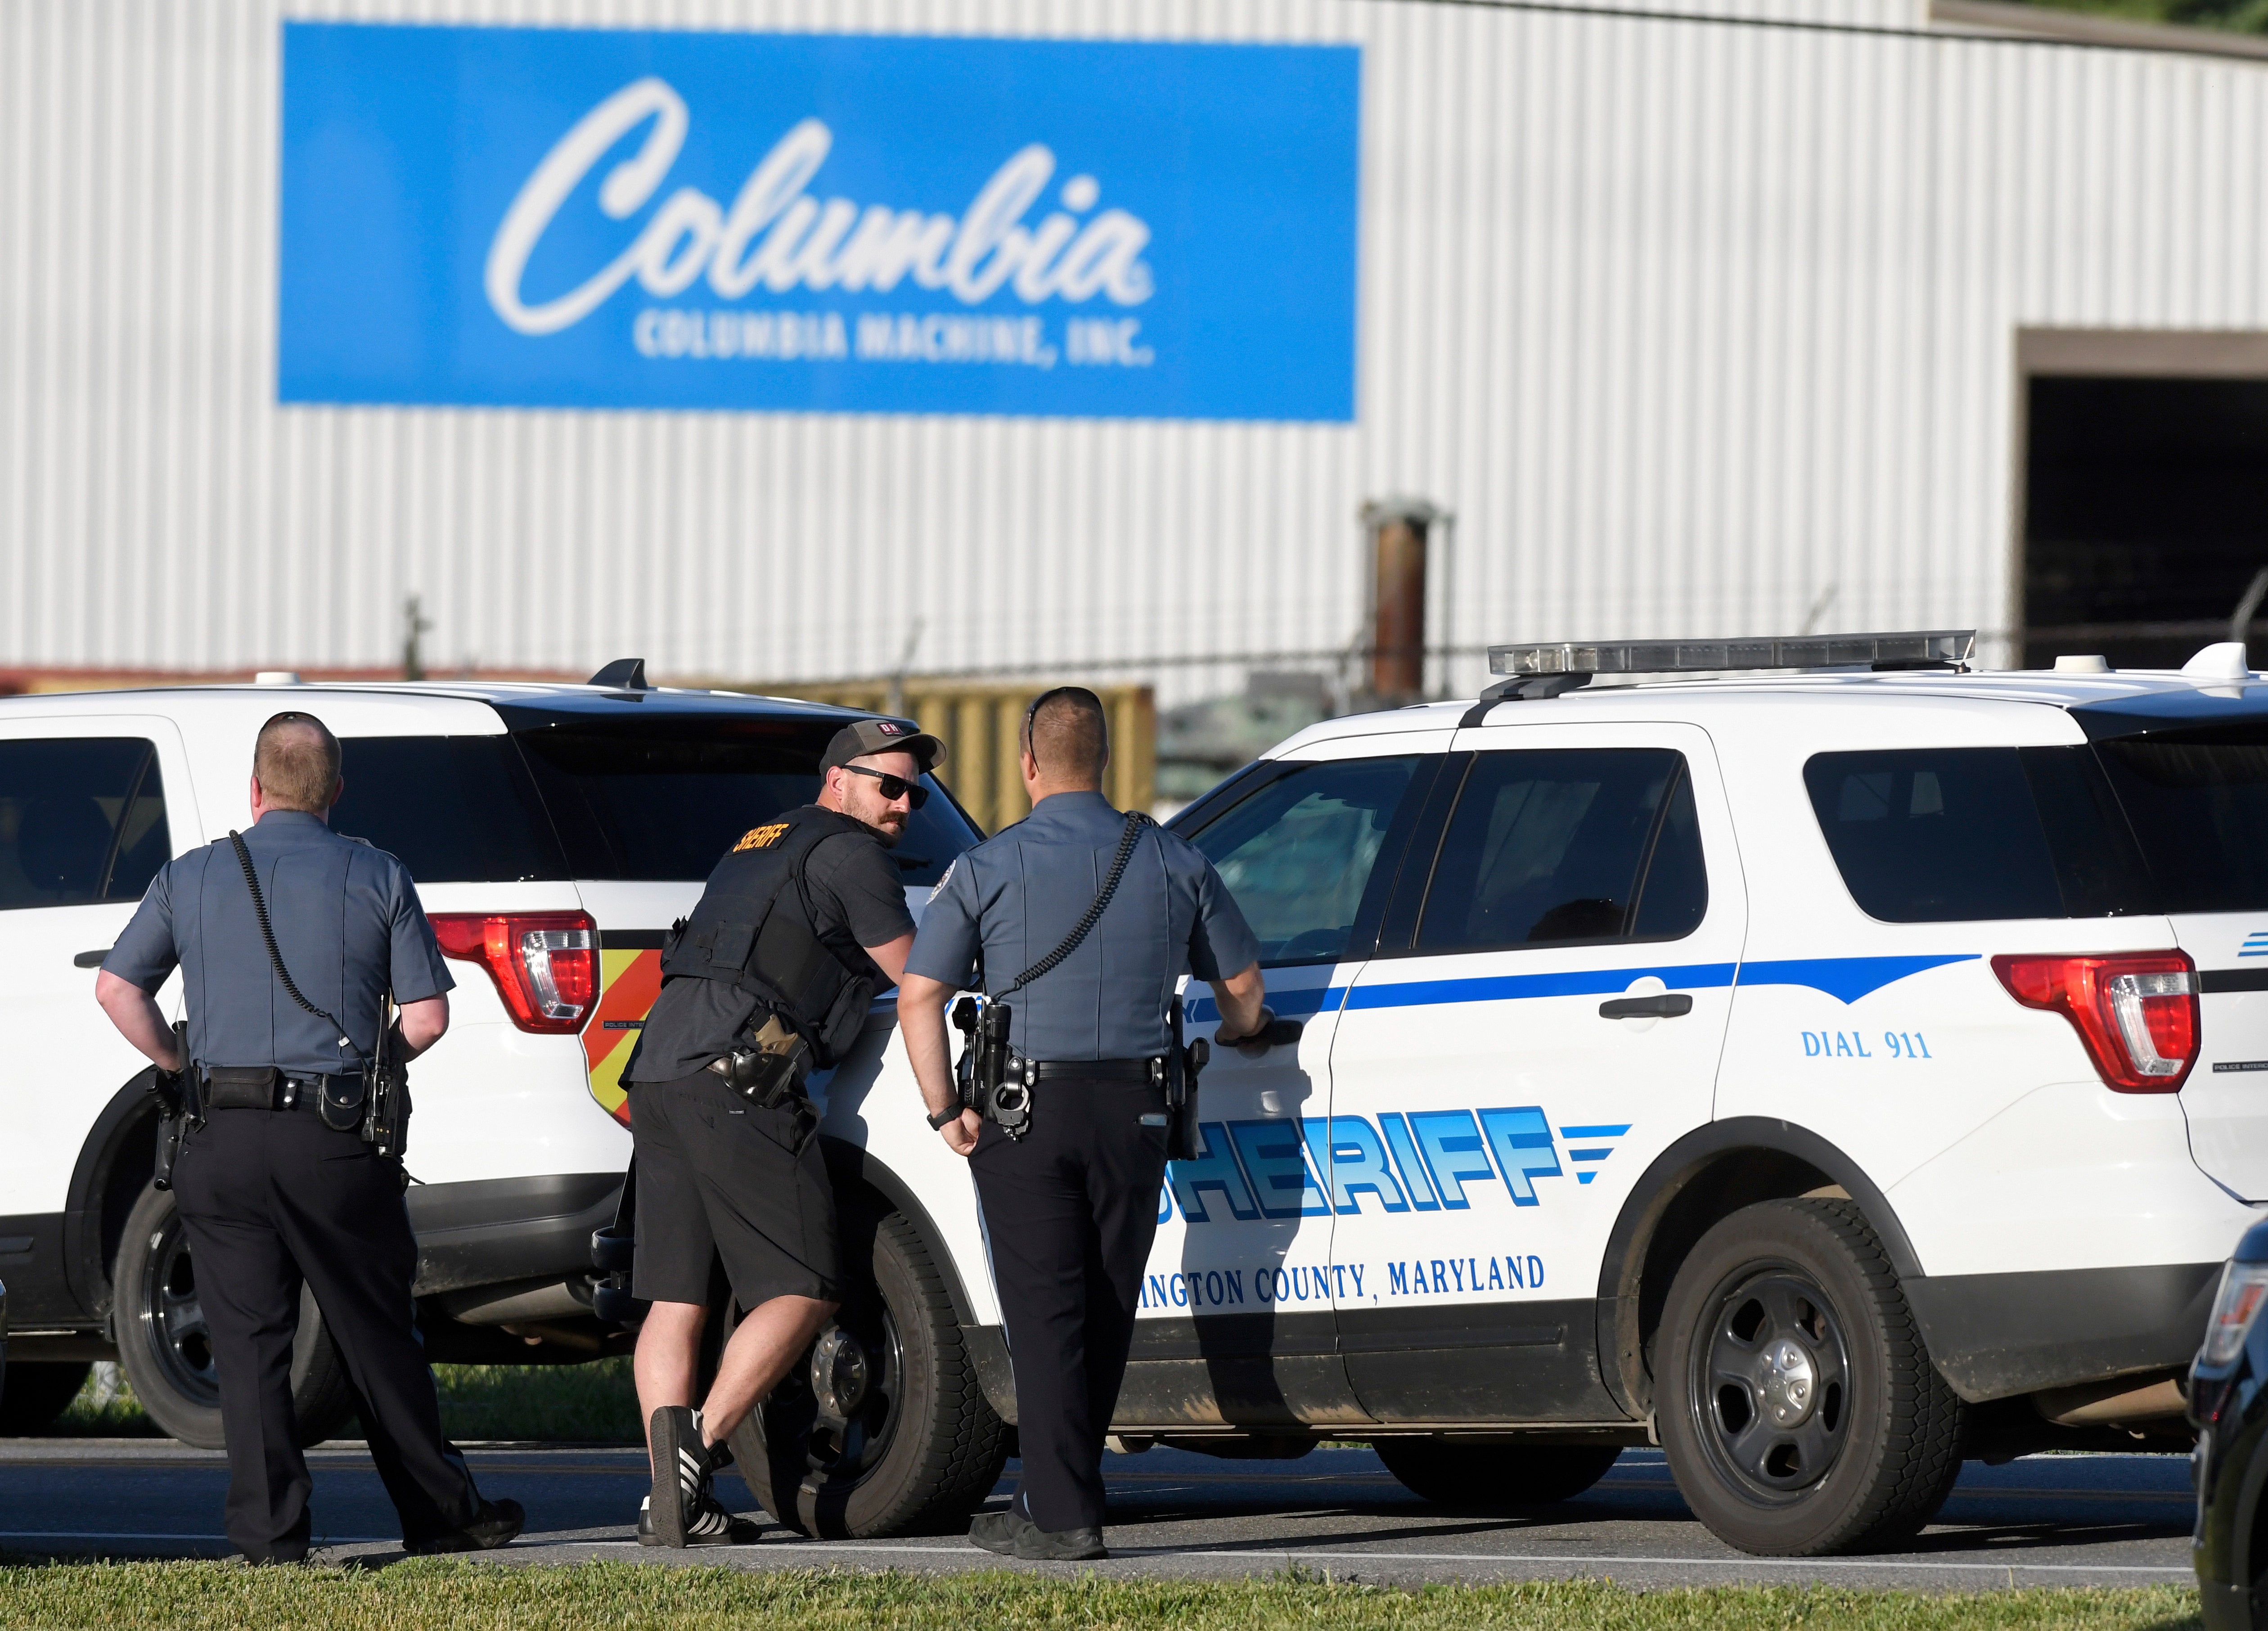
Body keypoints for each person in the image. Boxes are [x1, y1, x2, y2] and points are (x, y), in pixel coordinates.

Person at [92, 711, 520, 1564]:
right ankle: (439, 1514)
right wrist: (371, 1066)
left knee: (251, 1347)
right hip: (332, 1142)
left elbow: (115, 990)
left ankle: (271, 1540)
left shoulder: (190, 875)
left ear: (254, 790)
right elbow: (428, 1019)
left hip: (218, 1138)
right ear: (335, 793)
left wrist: (182, 1065)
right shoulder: (378, 873)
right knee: (374, 1332)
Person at [897, 687, 1271, 1562]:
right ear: (1102, 761)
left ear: (1030, 763)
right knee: (1106, 1303)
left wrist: (944, 1108)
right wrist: (1250, 1036)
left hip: (1024, 1111)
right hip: (1137, 1106)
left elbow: (922, 996)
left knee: (1044, 1312)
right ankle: (1058, 1492)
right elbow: (1244, 993)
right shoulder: (1174, 858)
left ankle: (1063, 1514)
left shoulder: (989, 866)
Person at [619, 718, 936, 1546]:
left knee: (677, 1297)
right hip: (734, 1083)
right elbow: (921, 976)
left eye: (915, 791)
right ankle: (696, 1454)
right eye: (889, 785)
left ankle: (667, 1498)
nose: (905, 803)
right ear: (838, 780)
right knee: (803, 1286)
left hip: (657, 1074)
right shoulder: (850, 853)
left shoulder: (761, 842)